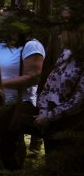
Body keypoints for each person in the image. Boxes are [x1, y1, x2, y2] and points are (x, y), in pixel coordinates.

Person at [0, 15, 45, 170]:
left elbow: (33, 77)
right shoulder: (2, 44)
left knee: (8, 147)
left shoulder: (31, 45)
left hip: (16, 103)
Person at [35, 24, 84, 153]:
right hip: (50, 121)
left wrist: (50, 116)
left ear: (73, 36)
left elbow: (78, 99)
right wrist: (43, 110)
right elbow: (49, 83)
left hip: (72, 123)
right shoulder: (65, 54)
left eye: (63, 33)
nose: (59, 37)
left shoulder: (81, 61)